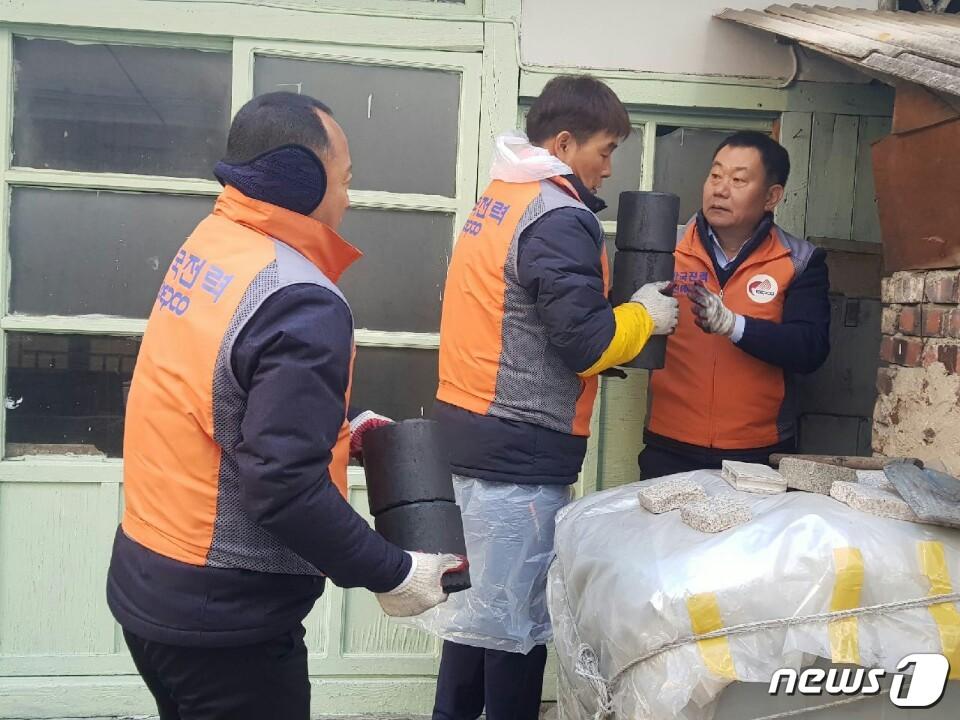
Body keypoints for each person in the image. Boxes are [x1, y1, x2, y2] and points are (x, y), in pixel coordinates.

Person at [106, 92, 462, 720]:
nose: (350, 199)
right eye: (345, 180)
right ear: (302, 178)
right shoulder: (301, 300)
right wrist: (394, 573)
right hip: (226, 622)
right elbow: (283, 488)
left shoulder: (216, 244)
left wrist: (334, 432)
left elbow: (217, 396)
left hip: (149, 582)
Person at [428, 75, 679, 720]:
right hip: (518, 447)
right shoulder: (559, 216)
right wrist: (644, 318)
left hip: (469, 432)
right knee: (516, 630)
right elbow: (585, 343)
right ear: (565, 144)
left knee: (475, 615)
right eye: (604, 148)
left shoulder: (503, 197)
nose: (609, 165)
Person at [640, 130, 831, 478]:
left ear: (771, 196)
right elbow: (611, 320)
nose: (720, 189)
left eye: (739, 179)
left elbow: (810, 349)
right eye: (715, 175)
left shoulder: (801, 261)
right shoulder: (663, 250)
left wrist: (734, 326)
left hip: (758, 453)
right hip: (669, 446)